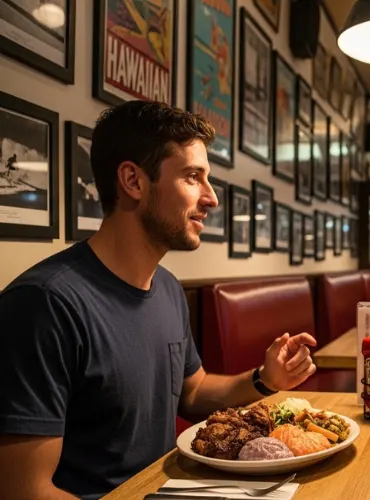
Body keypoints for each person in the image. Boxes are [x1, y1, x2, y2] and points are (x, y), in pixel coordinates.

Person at [0, 101, 318, 500]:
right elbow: (23, 491)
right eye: (192, 177)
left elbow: (193, 391)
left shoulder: (166, 287)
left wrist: (265, 379)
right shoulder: (44, 304)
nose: (211, 198)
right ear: (133, 181)